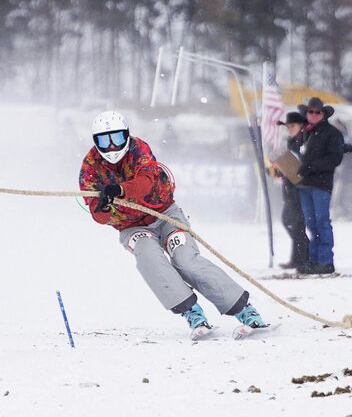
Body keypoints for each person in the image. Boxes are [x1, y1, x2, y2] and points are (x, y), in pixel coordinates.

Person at [79, 111, 267, 338]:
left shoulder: (138, 149)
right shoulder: (90, 166)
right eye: (104, 141)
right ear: (95, 142)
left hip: (165, 214)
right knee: (148, 257)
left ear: (127, 136)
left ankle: (245, 311)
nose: (111, 148)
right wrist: (104, 206)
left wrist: (120, 189)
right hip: (131, 226)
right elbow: (96, 215)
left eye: (116, 139)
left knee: (185, 260)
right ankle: (192, 313)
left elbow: (146, 181)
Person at [295, 97, 344, 274]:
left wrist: (312, 167)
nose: (314, 115)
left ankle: (325, 260)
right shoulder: (304, 133)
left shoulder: (332, 133)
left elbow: (335, 158)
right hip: (304, 184)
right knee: (311, 224)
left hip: (321, 185)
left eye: (317, 112)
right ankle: (315, 260)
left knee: (321, 221)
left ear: (323, 114)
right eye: (311, 112)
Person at [275, 111, 310, 270]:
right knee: (291, 222)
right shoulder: (291, 142)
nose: (289, 129)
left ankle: (303, 255)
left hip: (301, 188)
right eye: (288, 126)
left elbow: (303, 165)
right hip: (291, 187)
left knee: (295, 223)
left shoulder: (306, 141)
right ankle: (299, 256)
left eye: (292, 126)